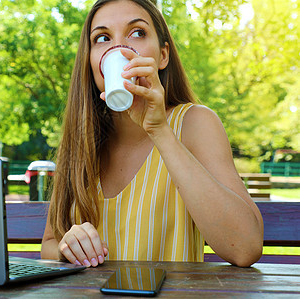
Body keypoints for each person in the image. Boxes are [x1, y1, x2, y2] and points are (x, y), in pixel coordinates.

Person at [41, 0, 263, 268]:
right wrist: (68, 249)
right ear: (90, 62)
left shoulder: (195, 123)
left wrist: (160, 131)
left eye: (137, 32)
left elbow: (246, 248)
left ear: (162, 55)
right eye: (102, 38)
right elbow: (50, 245)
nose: (117, 48)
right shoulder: (81, 139)